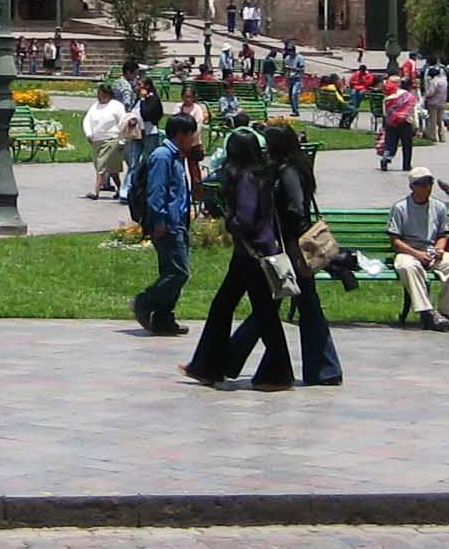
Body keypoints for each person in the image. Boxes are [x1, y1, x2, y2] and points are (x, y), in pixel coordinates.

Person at [186, 127, 296, 390]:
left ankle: (278, 373)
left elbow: (246, 218)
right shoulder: (261, 175)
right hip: (252, 253)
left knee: (262, 314)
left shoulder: (246, 179)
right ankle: (207, 366)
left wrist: (229, 220)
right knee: (228, 307)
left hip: (252, 255)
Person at [265, 125, 344, 386]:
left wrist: (293, 242)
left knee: (304, 306)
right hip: (291, 248)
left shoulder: (288, 172)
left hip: (294, 249)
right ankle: (324, 369)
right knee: (305, 306)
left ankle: (325, 368)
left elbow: (297, 209)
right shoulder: (294, 168)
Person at [129, 113, 200, 336]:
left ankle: (163, 318)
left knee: (172, 270)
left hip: (178, 221)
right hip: (167, 223)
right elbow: (156, 192)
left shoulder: (177, 156)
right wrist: (158, 221)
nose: (194, 140)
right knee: (179, 272)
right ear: (180, 135)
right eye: (191, 135)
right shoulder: (163, 156)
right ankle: (144, 301)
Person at [388, 171, 449, 331]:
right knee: (407, 267)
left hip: (432, 251)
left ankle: (446, 313)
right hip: (409, 251)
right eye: (422, 184)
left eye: (429, 183)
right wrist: (417, 254)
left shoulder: (439, 207)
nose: (427, 188)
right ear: (412, 187)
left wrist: (439, 249)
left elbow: (442, 234)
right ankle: (427, 313)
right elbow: (396, 241)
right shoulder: (400, 208)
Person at [83, 81, 133, 199]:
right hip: (97, 141)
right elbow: (87, 120)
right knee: (111, 169)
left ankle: (96, 191)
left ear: (109, 95)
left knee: (101, 165)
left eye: (103, 95)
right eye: (99, 95)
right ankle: (121, 189)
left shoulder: (116, 106)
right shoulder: (95, 106)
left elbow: (123, 123)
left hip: (111, 140)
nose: (100, 97)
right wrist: (89, 134)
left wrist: (122, 141)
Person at [379, 77, 421, 172]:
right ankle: (406, 165)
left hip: (391, 124)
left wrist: (385, 124)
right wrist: (416, 126)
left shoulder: (387, 97)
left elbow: (385, 113)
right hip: (405, 122)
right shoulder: (408, 96)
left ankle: (386, 158)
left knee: (390, 144)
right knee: (407, 145)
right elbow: (412, 112)